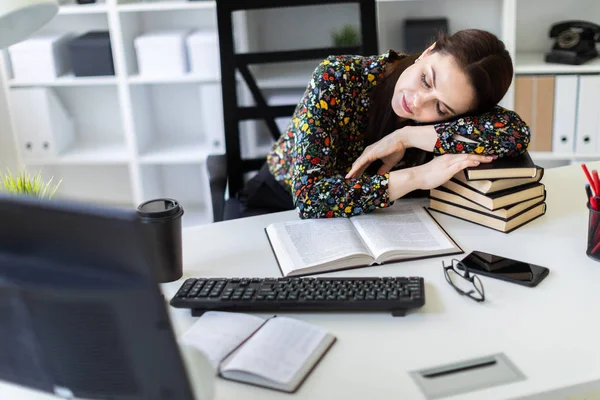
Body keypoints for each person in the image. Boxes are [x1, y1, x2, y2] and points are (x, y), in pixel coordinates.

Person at [241, 29, 530, 219]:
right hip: (276, 203)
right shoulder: (337, 77)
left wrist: (406, 136)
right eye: (426, 80)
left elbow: (516, 133)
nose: (418, 102)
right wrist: (418, 176)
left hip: (375, 220)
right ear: (428, 51)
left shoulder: (457, 113)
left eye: (440, 107)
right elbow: (310, 199)